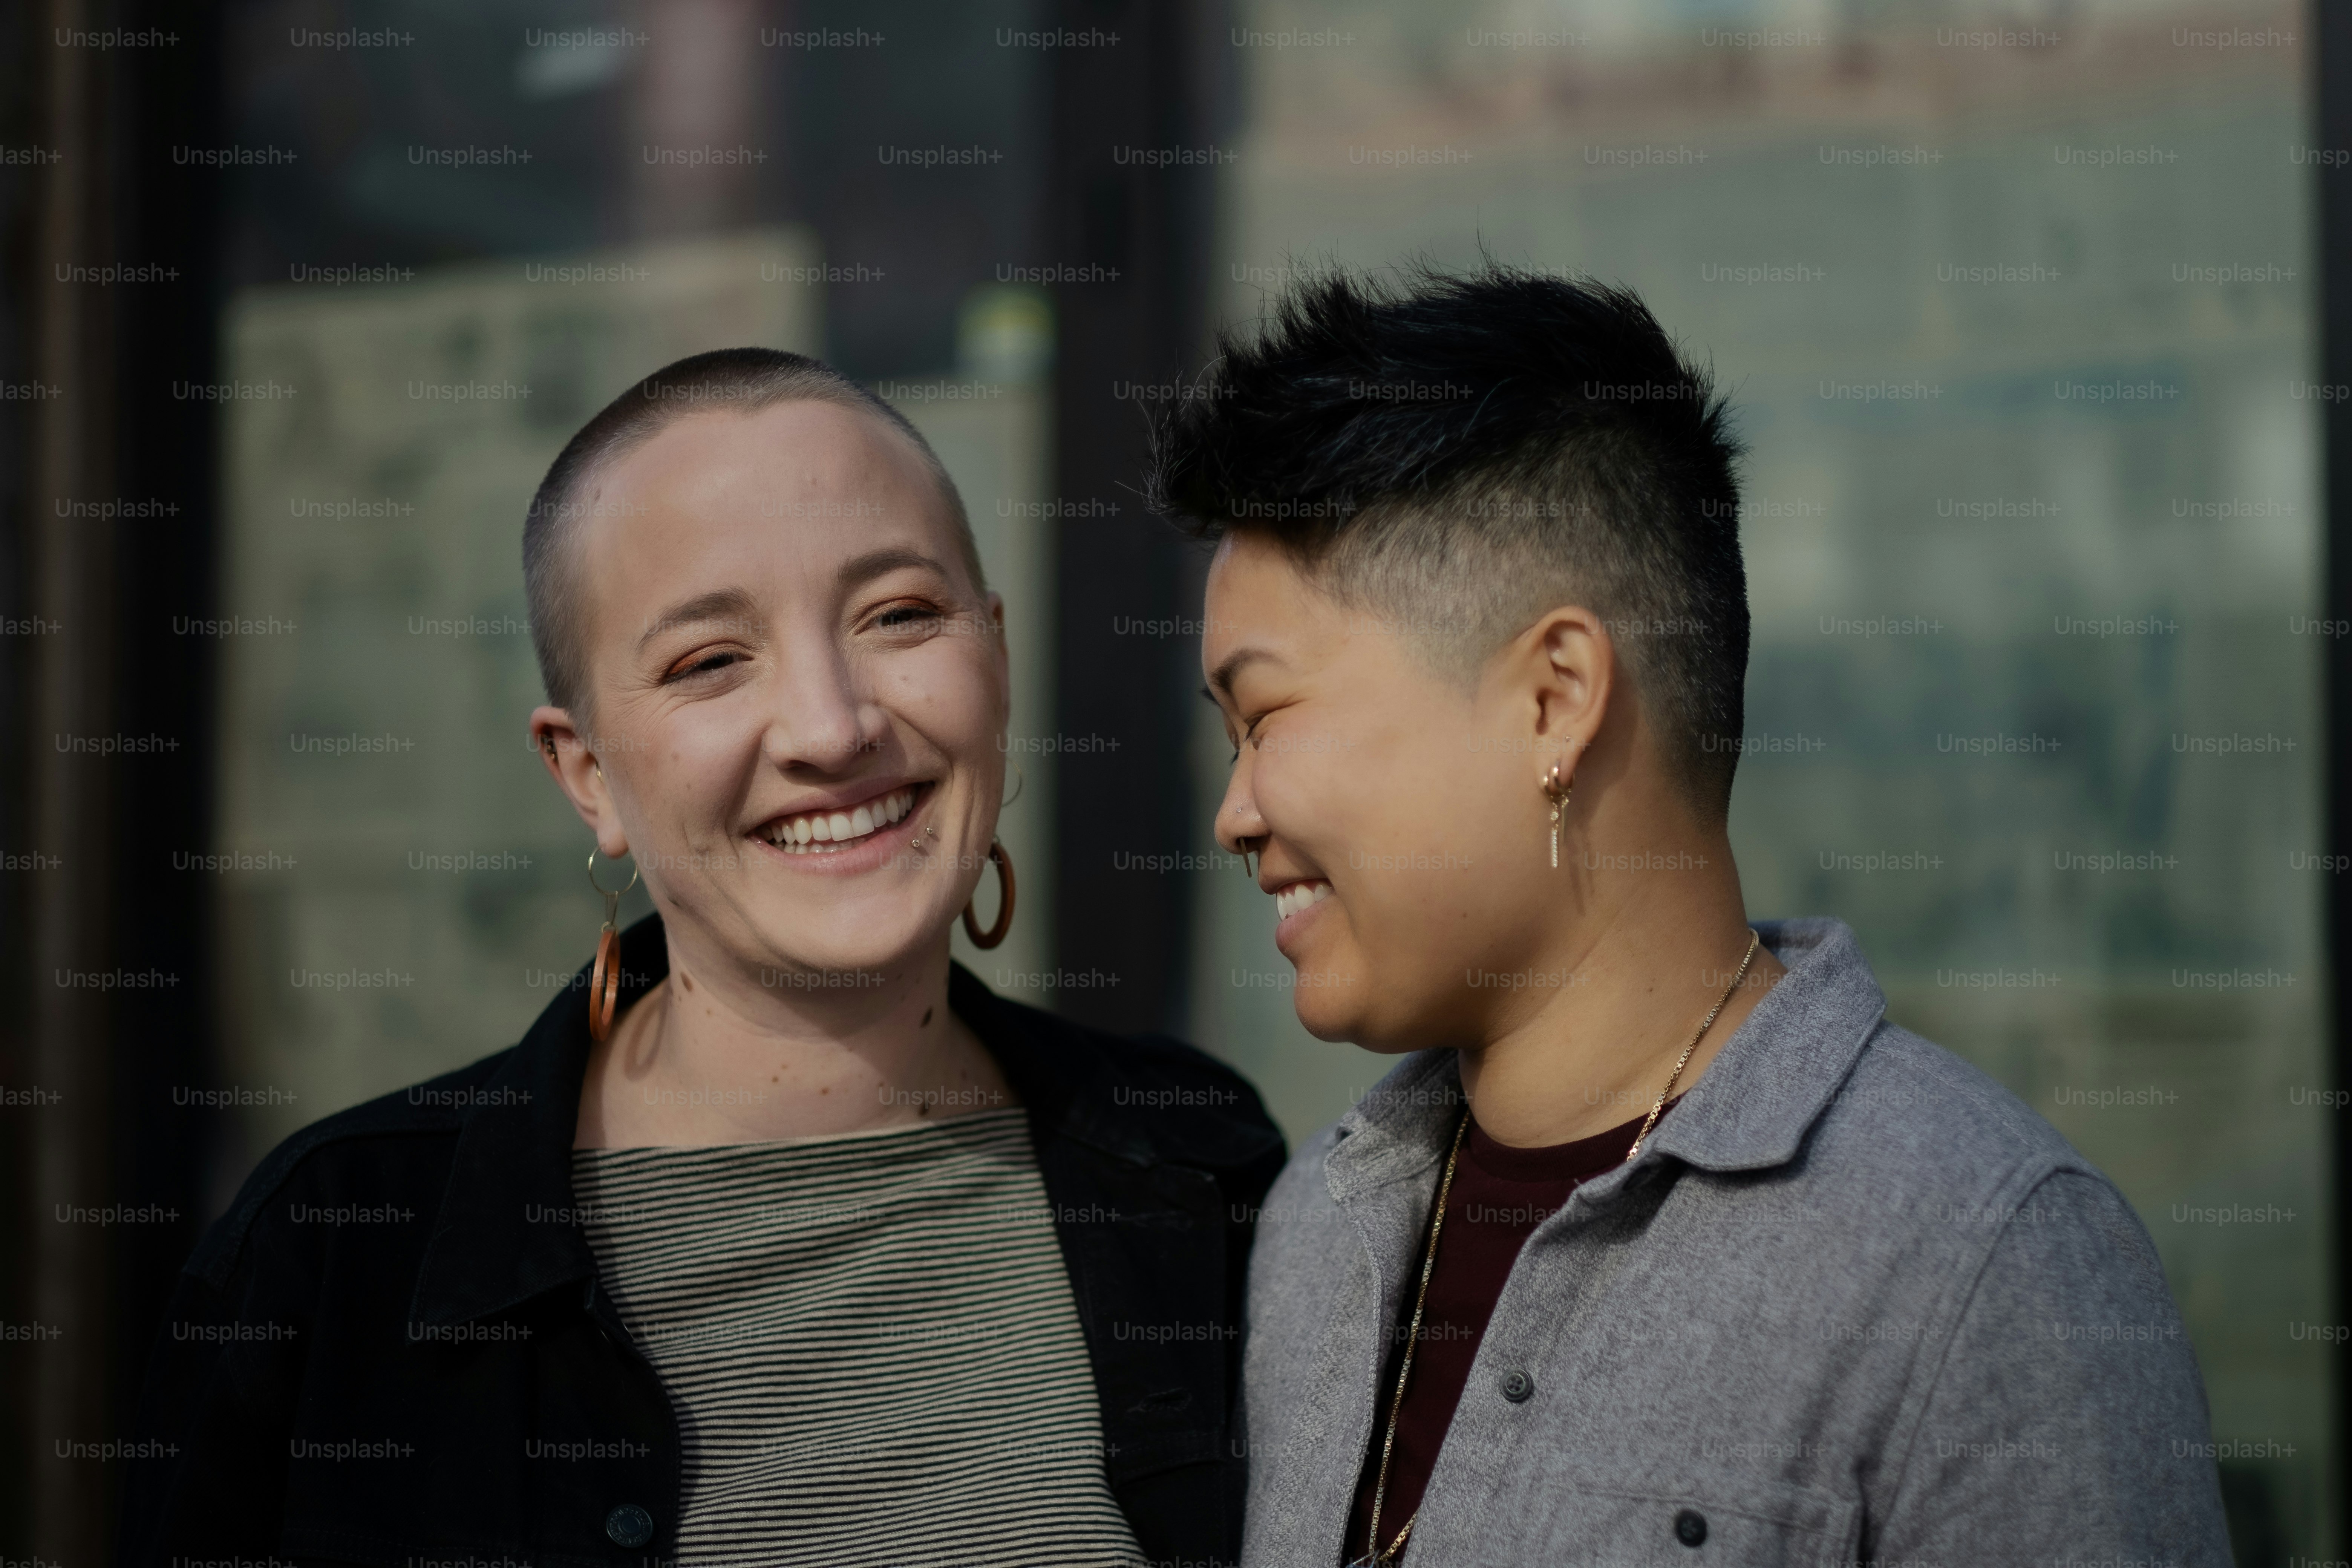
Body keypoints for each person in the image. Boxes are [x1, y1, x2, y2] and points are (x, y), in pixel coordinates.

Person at [121, 348, 1284, 1568]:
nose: (834, 728)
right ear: (585, 776)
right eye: (710, 662)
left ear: (994, 658)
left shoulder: (1201, 1167)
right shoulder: (333, 1264)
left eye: (898, 615)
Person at [1148, 266, 2231, 1565]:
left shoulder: (1983, 1258)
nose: (1236, 812)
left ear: (1555, 699)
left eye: (1266, 718)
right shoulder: (1322, 1229)